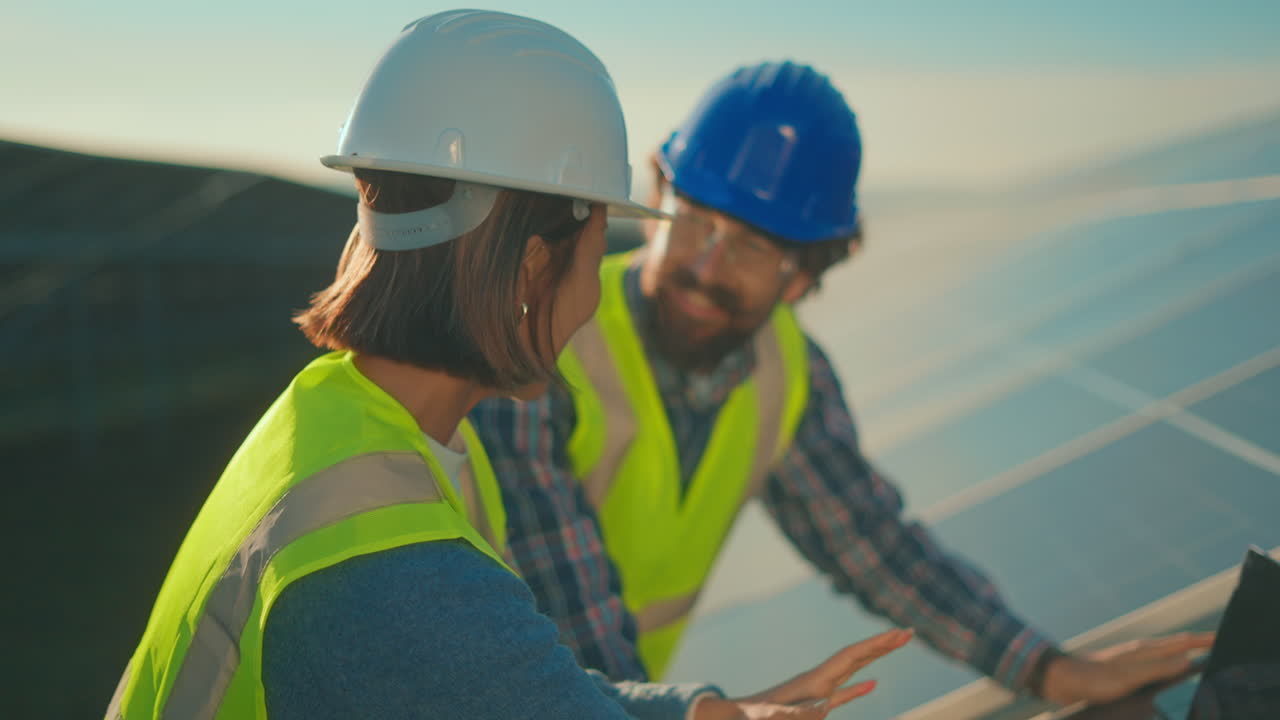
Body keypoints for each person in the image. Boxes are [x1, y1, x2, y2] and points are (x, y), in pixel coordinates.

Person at [103, 13, 911, 720]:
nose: (597, 300)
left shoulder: (347, 428)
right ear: (531, 269)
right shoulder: (400, 575)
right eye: (599, 254)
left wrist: (696, 713)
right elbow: (471, 661)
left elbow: (502, 687)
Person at [470, 60, 1214, 707]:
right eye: (693, 220)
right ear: (661, 194)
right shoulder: (548, 339)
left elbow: (875, 549)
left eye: (752, 245)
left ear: (804, 275)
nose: (703, 265)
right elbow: (568, 623)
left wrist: (1047, 670)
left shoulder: (788, 376)